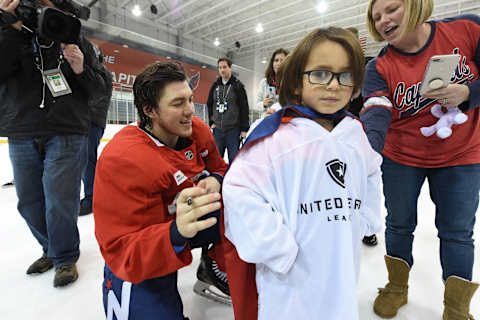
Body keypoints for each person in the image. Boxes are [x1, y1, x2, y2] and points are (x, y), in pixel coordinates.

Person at [222, 27, 382, 320]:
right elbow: (238, 190)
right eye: (320, 74)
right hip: (290, 281)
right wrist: (279, 249)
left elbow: (372, 170)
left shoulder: (353, 131)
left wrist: (366, 218)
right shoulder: (274, 134)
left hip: (342, 267)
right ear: (296, 82)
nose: (334, 85)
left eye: (345, 75)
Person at [361, 0, 480, 318]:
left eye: (391, 9)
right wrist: (369, 150)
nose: (383, 20)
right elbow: (375, 110)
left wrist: (469, 94)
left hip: (462, 154)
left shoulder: (468, 29)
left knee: (457, 231)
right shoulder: (378, 67)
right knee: (398, 224)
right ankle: (397, 287)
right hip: (401, 157)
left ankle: (456, 307)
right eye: (376, 17)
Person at [93, 62, 231, 319]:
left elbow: (222, 168)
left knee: (244, 206)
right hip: (143, 243)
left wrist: (216, 178)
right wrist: (176, 232)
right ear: (149, 110)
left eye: (190, 99)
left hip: (184, 224)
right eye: (178, 103)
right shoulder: (123, 159)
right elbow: (123, 249)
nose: (190, 110)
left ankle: (215, 266)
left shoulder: (197, 131)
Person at [0, 0, 107, 287]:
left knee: (60, 200)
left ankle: (64, 257)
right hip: (21, 128)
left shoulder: (72, 34)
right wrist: (7, 26)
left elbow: (100, 89)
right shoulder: (8, 30)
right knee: (28, 200)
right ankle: (51, 249)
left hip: (66, 129)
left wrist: (81, 67)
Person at [346, 26, 378, 247]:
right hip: (341, 131)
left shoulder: (371, 64)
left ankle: (369, 226)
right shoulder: (337, 67)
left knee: (367, 182)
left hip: (365, 133)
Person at [79, 42, 113, 216]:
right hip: (86, 122)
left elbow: (96, 98)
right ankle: (91, 195)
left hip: (91, 122)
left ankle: (92, 197)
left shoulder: (101, 72)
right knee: (85, 160)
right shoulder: (94, 71)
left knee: (87, 160)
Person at [207, 57, 249, 163]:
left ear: (230, 68)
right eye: (220, 67)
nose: (222, 70)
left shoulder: (238, 86)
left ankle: (233, 180)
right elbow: (209, 104)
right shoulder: (215, 86)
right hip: (218, 130)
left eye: (224, 67)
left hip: (233, 130)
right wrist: (211, 122)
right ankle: (217, 179)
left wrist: (244, 129)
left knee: (233, 159)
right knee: (216, 160)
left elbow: (244, 107)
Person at [255, 48, 289, 112]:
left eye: (282, 60)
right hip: (268, 118)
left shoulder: (292, 82)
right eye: (276, 60)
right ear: (272, 63)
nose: (279, 63)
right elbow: (256, 105)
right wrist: (264, 104)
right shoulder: (264, 82)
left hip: (285, 118)